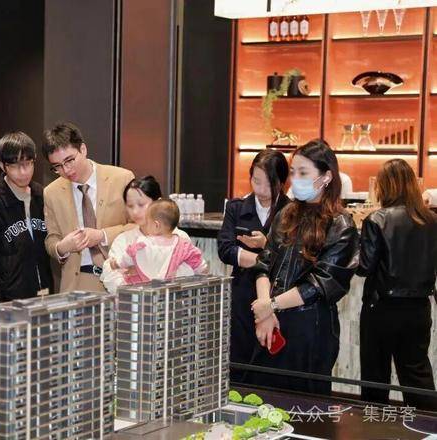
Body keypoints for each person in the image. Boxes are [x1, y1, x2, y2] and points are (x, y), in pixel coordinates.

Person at [248, 139, 359, 395]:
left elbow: (319, 284)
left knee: (305, 405)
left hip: (310, 327)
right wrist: (265, 310)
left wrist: (270, 305)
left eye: (303, 173)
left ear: (326, 177)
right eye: (293, 172)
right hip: (271, 320)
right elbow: (264, 263)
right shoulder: (286, 214)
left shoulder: (341, 225)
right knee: (262, 399)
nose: (295, 179)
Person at [357, 159, 437, 411]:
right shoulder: (431, 220)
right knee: (417, 375)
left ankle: (374, 427)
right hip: (419, 308)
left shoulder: (377, 219)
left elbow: (364, 268)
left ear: (384, 186)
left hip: (381, 309)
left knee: (375, 376)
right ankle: (428, 425)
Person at [217, 149, 290, 383]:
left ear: (282, 183)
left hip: (278, 296)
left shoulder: (291, 212)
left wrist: (265, 247)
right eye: (256, 181)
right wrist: (263, 258)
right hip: (243, 293)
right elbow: (225, 249)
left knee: (271, 360)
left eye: (268, 184)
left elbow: (293, 256)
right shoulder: (237, 208)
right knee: (240, 356)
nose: (261, 190)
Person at [43, 122, 134, 293]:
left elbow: (139, 227)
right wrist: (63, 247)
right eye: (57, 166)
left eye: (69, 160)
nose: (66, 170)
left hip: (121, 276)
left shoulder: (122, 178)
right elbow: (51, 239)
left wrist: (102, 236)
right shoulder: (51, 192)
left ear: (83, 149)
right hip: (77, 281)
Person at [0, 132, 52, 306]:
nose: (23, 172)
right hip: (9, 304)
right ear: (2, 165)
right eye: (15, 166)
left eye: (28, 163)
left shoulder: (42, 195)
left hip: (46, 296)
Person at [101, 176, 192, 293]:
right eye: (130, 206)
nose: (135, 212)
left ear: (158, 203)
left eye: (141, 204)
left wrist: (139, 271)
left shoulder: (179, 238)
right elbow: (111, 277)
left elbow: (187, 275)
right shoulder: (123, 240)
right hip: (133, 301)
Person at [109, 198, 208, 280]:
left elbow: (128, 257)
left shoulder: (142, 244)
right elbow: (200, 265)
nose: (146, 225)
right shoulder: (183, 245)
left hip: (146, 289)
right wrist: (203, 271)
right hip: (171, 291)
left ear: (156, 225)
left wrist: (116, 264)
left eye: (148, 222)